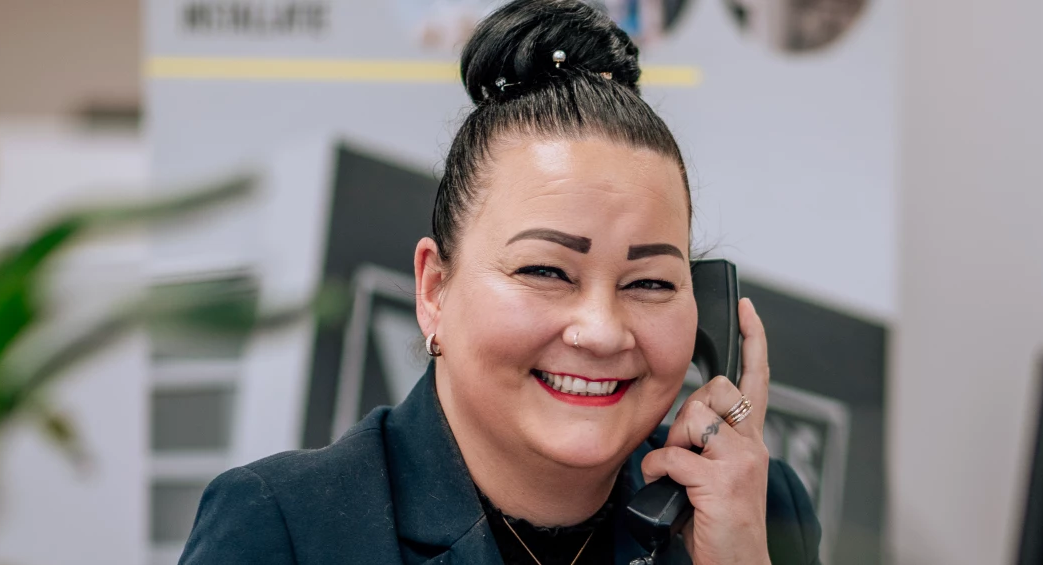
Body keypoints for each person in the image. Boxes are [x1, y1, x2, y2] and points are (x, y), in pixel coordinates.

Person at [177, 1, 819, 563]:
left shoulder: (753, 507)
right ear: (434, 290)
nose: (602, 332)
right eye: (546, 271)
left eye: (649, 283)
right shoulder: (285, 526)